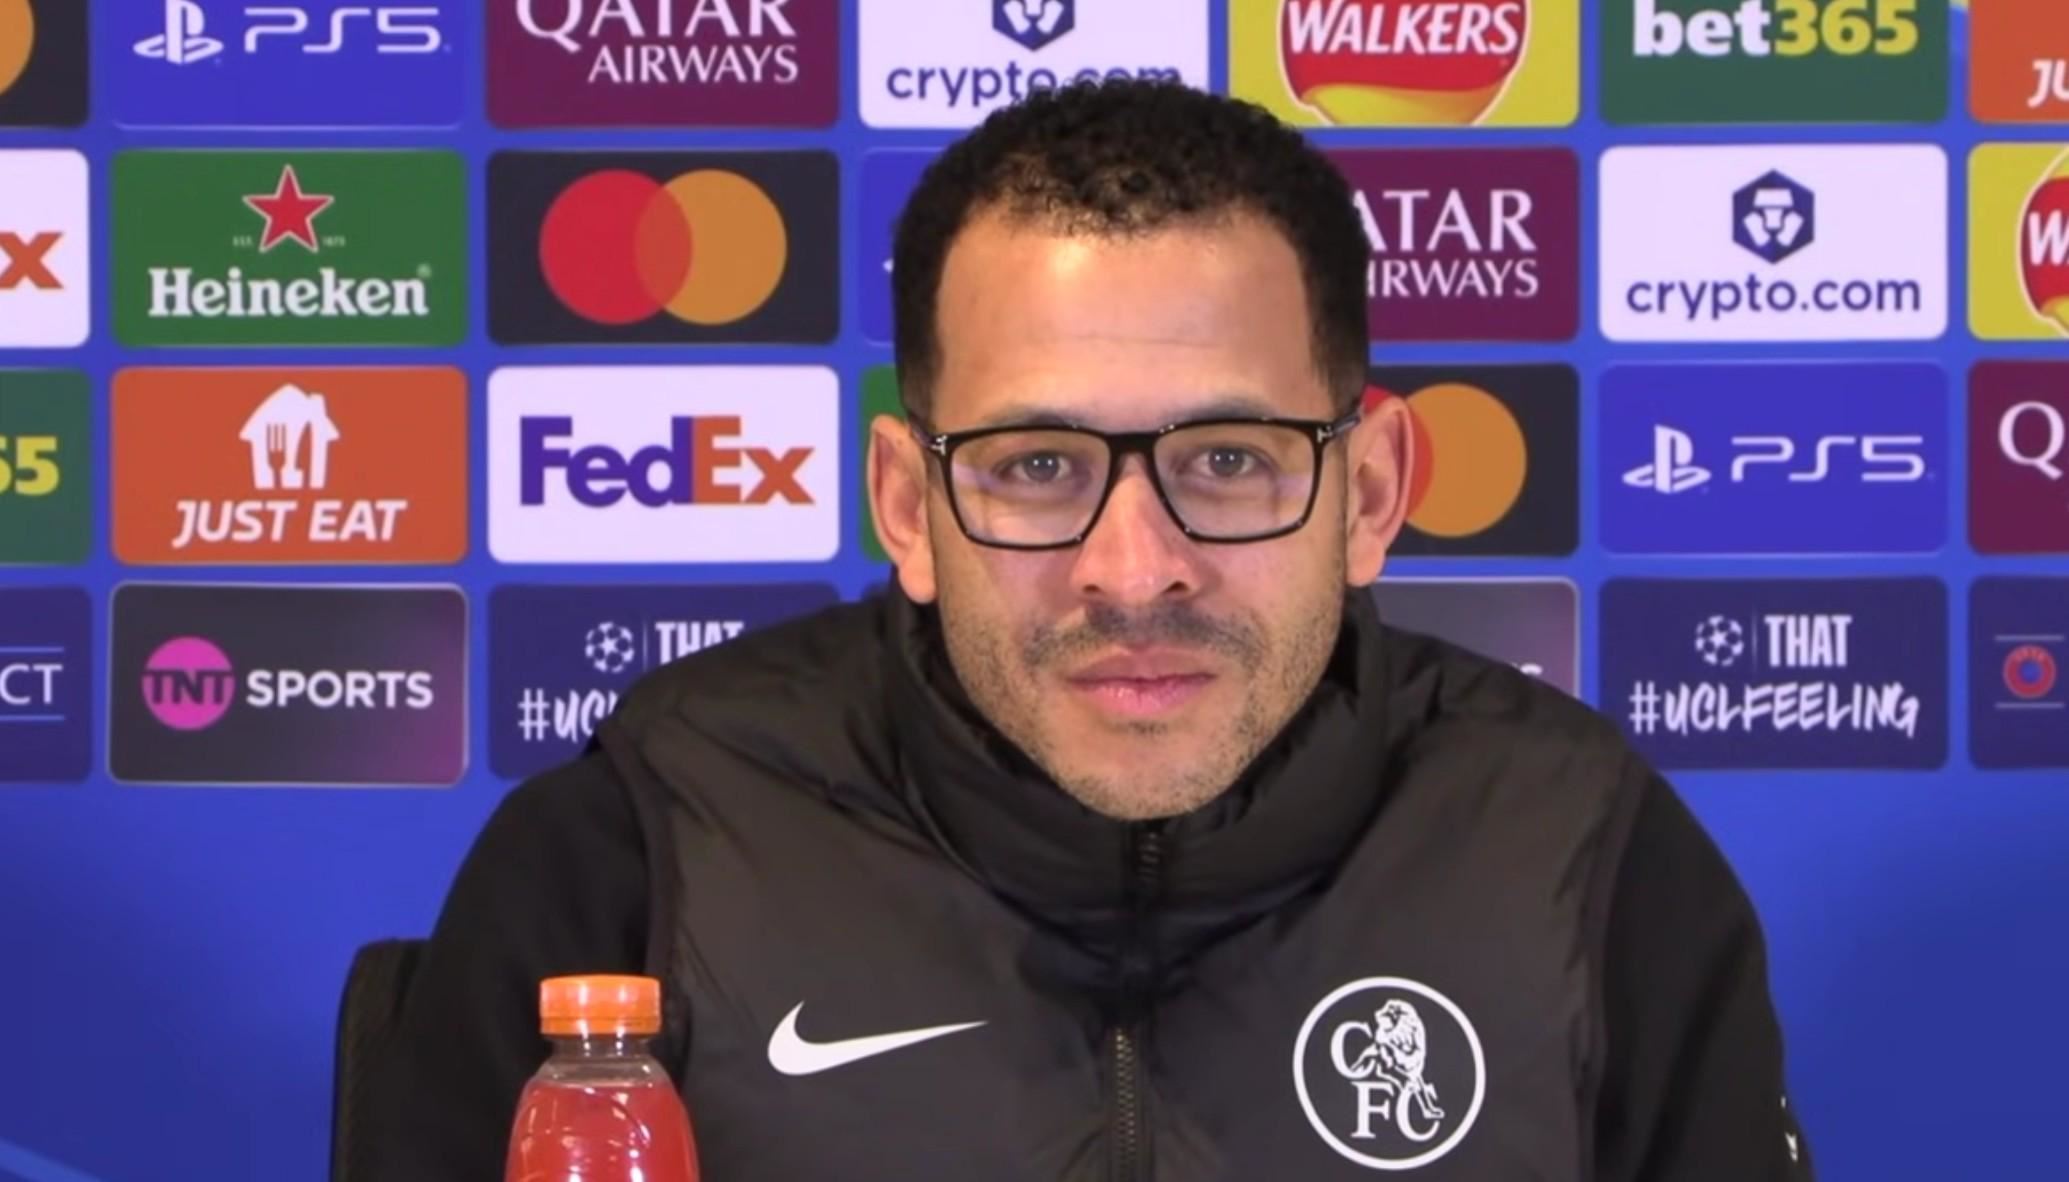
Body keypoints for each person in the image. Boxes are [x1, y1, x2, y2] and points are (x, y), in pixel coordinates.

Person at [368, 79, 1815, 1180]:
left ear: (1370, 493)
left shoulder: (1583, 856)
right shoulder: (637, 851)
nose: (1134, 571)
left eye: (1230, 460)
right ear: (907, 505)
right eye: (1038, 465)